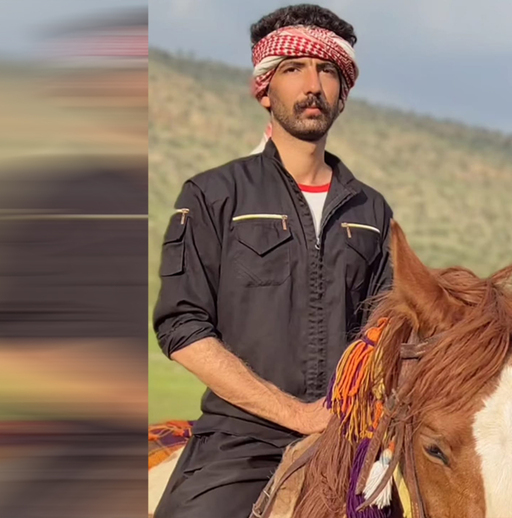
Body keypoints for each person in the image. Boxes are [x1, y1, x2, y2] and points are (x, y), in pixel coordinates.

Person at [152, 4, 395, 517]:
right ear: (265, 89)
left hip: (348, 442)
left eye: (327, 70)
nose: (313, 85)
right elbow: (181, 327)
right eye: (294, 69)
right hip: (240, 440)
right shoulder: (213, 195)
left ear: (343, 92)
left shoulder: (371, 211)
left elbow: (388, 329)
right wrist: (297, 414)